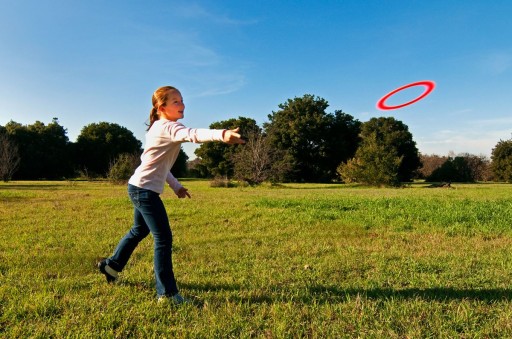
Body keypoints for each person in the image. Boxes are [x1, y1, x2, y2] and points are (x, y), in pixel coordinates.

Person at [98, 85, 245, 304]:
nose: (182, 105)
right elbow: (192, 134)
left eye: (182, 100)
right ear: (161, 106)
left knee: (139, 230)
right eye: (176, 101)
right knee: (163, 238)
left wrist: (176, 186)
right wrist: (221, 134)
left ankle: (111, 266)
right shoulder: (167, 127)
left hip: (139, 187)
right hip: (144, 191)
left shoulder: (160, 128)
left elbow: (161, 167)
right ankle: (166, 294)